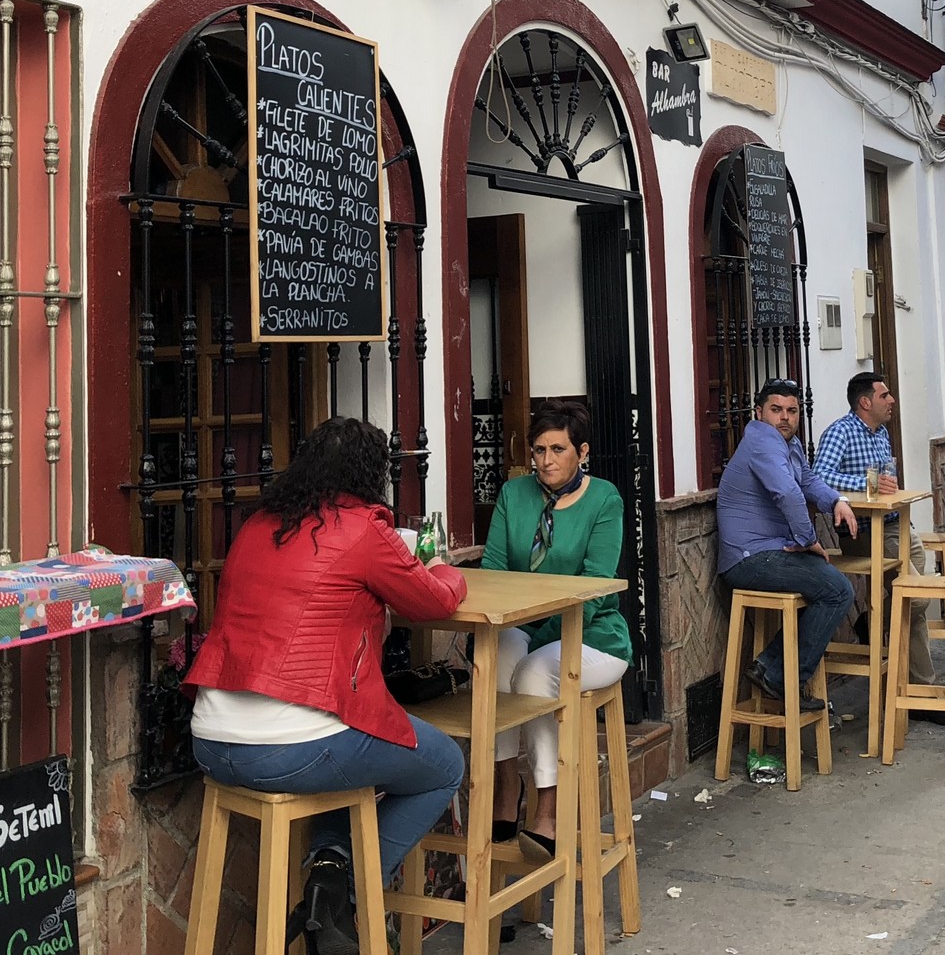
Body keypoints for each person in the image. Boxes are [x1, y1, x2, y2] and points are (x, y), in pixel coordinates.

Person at [186, 418, 468, 955]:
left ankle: (329, 875)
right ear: (370, 475)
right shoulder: (364, 529)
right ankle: (341, 895)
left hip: (211, 743)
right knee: (444, 766)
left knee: (348, 760)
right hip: (295, 749)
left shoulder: (257, 523)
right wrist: (444, 568)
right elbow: (431, 601)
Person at [482, 399, 631, 857]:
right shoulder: (514, 495)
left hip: (594, 636)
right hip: (525, 626)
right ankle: (507, 782)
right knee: (497, 655)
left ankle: (548, 807)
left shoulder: (604, 499)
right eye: (539, 450)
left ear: (582, 452)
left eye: (558, 450)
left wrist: (540, 637)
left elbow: (596, 588)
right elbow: (493, 571)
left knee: (532, 671)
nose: (546, 460)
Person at [716, 379, 857, 710]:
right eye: (776, 409)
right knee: (838, 591)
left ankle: (770, 667)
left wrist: (836, 500)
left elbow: (806, 480)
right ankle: (778, 676)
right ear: (759, 412)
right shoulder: (762, 441)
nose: (785, 417)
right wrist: (808, 540)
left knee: (828, 585)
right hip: (748, 559)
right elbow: (788, 493)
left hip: (767, 552)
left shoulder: (788, 445)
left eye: (792, 411)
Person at [813, 373, 943, 697]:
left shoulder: (881, 433)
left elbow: (886, 485)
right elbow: (819, 476)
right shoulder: (840, 432)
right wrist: (866, 484)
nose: (892, 400)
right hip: (866, 531)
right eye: (884, 395)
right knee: (916, 598)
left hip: (898, 525)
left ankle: (915, 689)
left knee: (911, 605)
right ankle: (877, 633)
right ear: (865, 402)